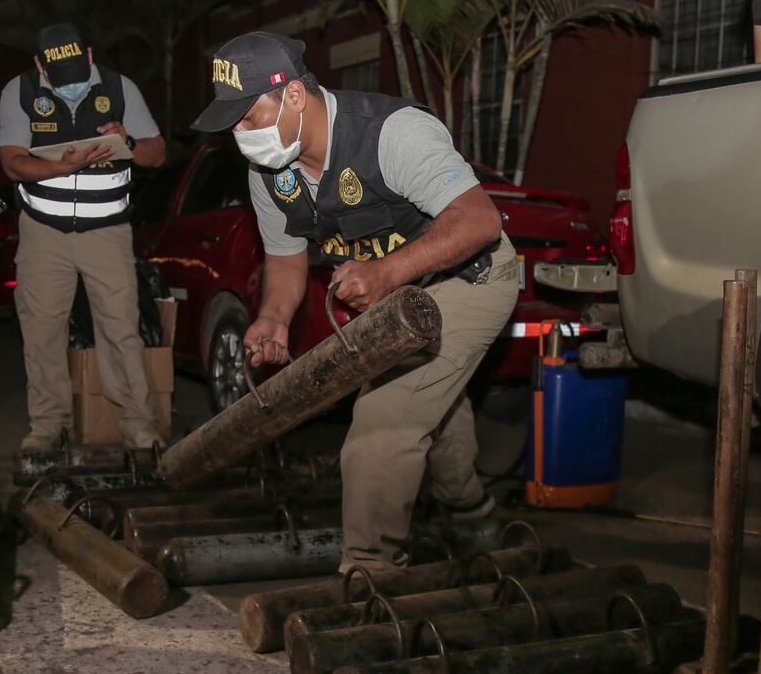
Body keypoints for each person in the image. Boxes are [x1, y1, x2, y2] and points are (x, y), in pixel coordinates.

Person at [191, 32, 518, 572]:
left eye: (247, 116)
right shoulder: (268, 174)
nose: (239, 134)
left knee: (382, 423)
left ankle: (371, 572)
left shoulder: (391, 134)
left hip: (472, 278)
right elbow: (287, 259)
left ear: (295, 95)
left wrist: (388, 272)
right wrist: (273, 318)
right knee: (430, 399)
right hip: (404, 293)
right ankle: (473, 514)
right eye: (231, 123)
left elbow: (481, 221)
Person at [0, 23, 168, 453]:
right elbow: (12, 163)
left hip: (108, 233)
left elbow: (158, 152)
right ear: (40, 66)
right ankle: (47, 426)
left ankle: (138, 424)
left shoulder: (120, 88)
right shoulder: (18, 93)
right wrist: (61, 167)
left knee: (121, 327)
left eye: (78, 73)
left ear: (90, 56)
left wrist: (125, 139)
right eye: (60, 77)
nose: (72, 84)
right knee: (41, 330)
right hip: (42, 234)